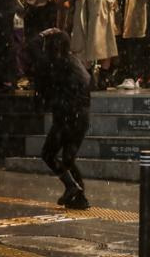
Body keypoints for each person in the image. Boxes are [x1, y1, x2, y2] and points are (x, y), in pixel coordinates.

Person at [35, 28, 91, 210]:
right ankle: (79, 196)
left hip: (66, 117)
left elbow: (30, 53)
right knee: (68, 158)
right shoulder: (75, 62)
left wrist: (40, 35)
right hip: (80, 116)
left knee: (48, 154)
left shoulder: (56, 64)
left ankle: (71, 186)